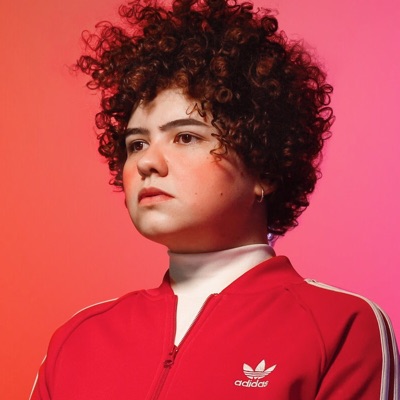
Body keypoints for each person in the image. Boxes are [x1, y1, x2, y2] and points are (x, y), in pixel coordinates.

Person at [30, 0, 399, 398]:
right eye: (136, 144)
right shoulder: (78, 338)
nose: (148, 162)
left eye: (185, 136)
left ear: (264, 169)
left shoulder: (340, 324)